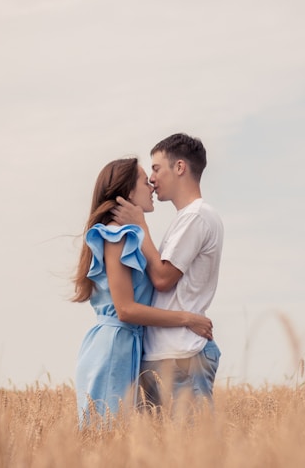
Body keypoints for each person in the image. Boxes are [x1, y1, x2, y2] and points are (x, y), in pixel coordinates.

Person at [73, 157, 213, 429]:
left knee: (118, 438)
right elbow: (125, 310)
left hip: (126, 345)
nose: (150, 184)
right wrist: (187, 318)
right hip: (114, 347)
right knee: (106, 437)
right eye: (143, 180)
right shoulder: (117, 236)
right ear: (126, 192)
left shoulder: (130, 236)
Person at [112, 133, 224, 411]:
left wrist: (141, 226)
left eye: (156, 168)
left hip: (181, 355)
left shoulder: (196, 216)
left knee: (190, 450)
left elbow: (162, 279)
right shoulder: (185, 219)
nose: (151, 178)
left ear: (180, 167)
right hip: (168, 353)